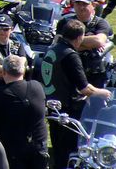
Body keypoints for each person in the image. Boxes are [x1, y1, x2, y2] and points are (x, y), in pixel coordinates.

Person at [41, 19, 111, 169]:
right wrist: (102, 92)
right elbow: (85, 88)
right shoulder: (70, 56)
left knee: (58, 148)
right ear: (80, 37)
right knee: (71, 152)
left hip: (53, 106)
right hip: (69, 110)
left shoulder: (52, 50)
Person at [0, 55, 48, 169]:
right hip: (39, 151)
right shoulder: (37, 87)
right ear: (23, 71)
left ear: (3, 72)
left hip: (14, 155)